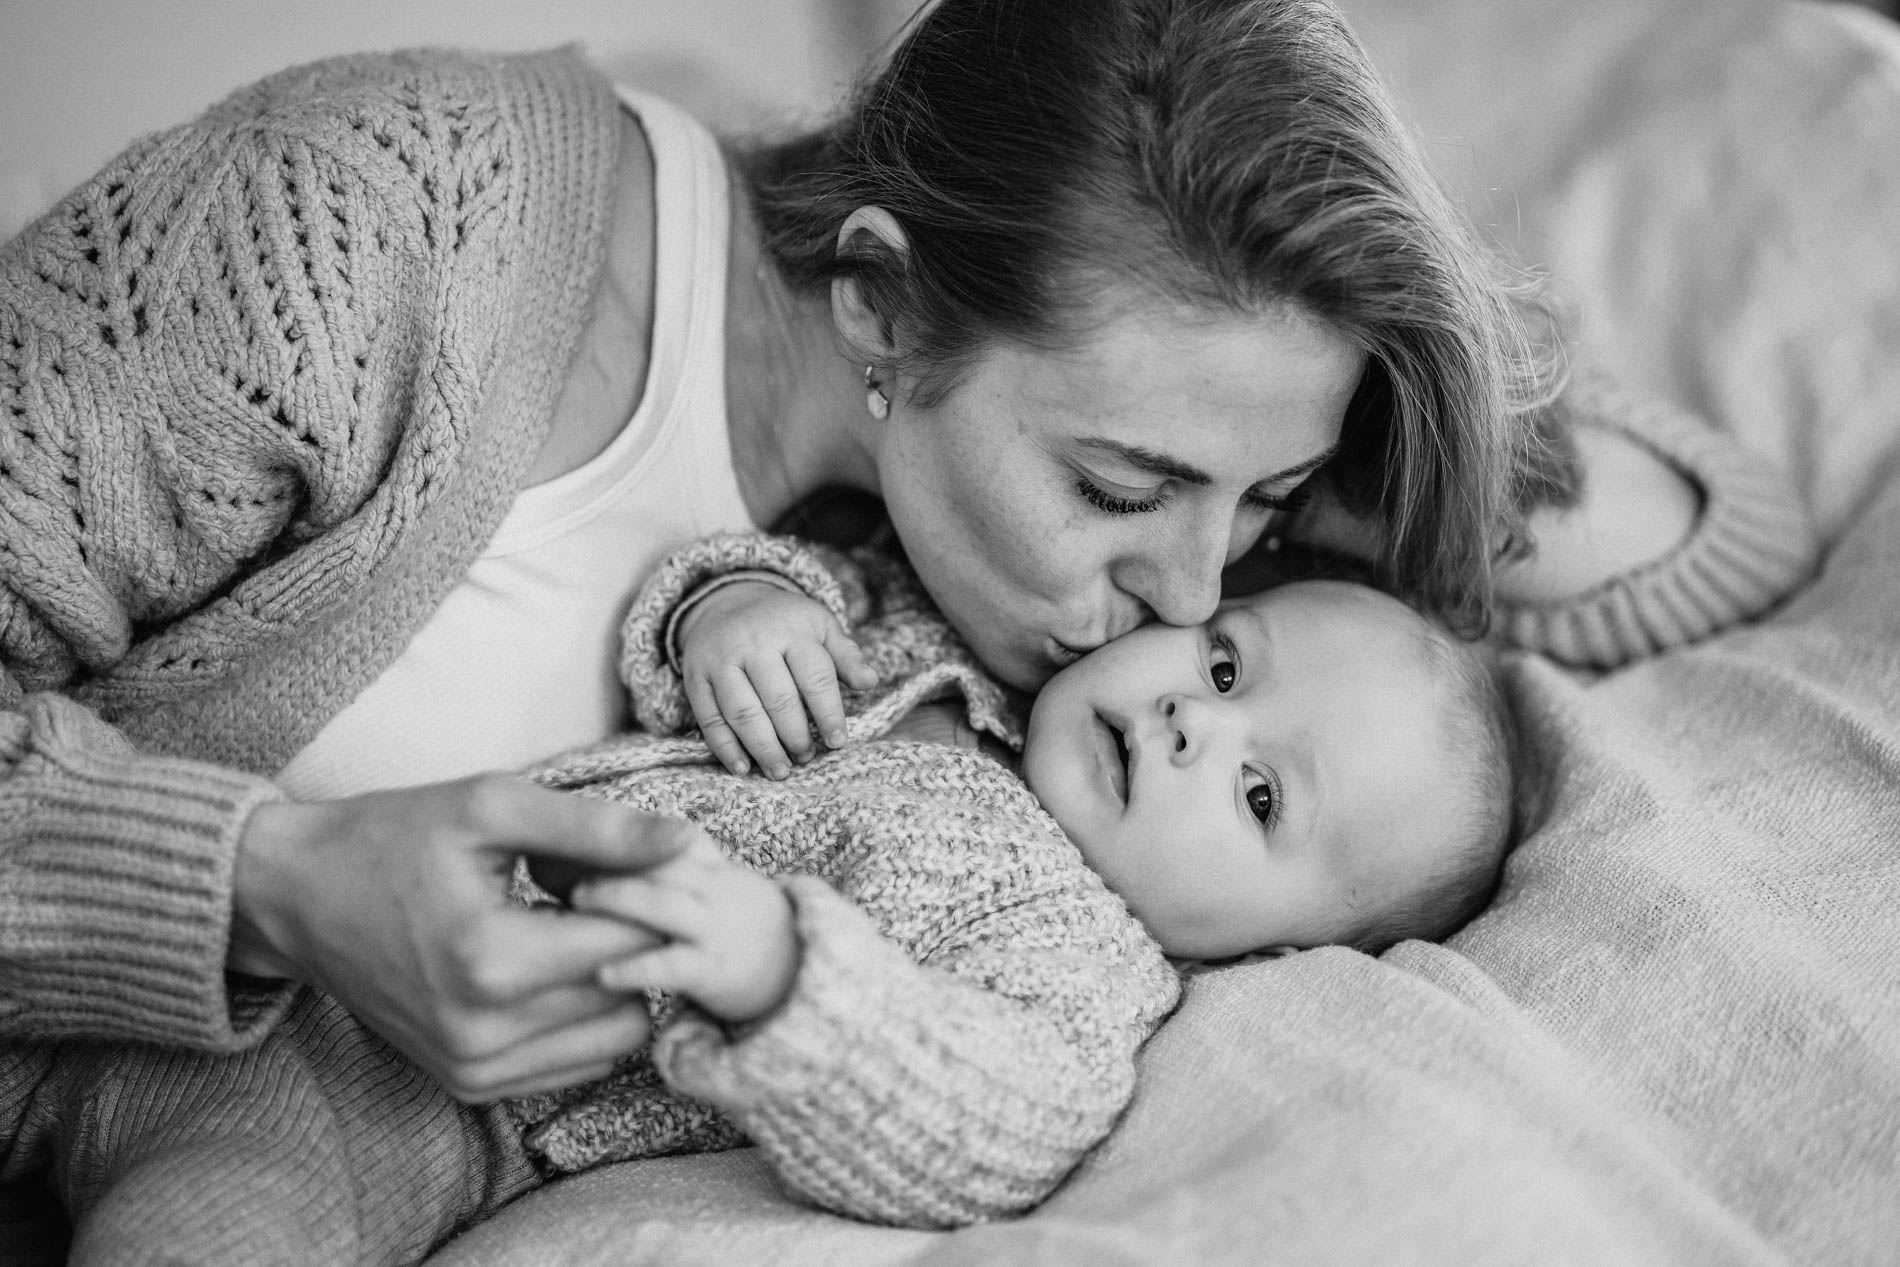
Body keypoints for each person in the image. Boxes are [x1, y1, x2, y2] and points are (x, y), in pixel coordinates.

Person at [0, 0, 1815, 1256]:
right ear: (880, 307)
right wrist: (276, 880)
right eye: (1122, 488)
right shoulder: (366, 232)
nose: (1194, 606)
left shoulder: (1064, 652)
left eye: (1257, 518)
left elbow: (1720, 536)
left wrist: (1372, 454)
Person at [20, 526, 1513, 1257]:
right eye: (1228, 660)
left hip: (400, 1101)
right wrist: (737, 606)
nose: (1195, 717)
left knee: (206, 1234)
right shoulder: (961, 644)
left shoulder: (1086, 960)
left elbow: (990, 1118)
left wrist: (785, 975)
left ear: (1271, 950)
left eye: (1260, 797)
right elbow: (780, 578)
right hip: (266, 911)